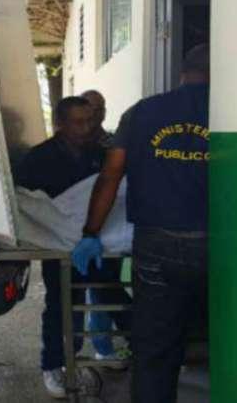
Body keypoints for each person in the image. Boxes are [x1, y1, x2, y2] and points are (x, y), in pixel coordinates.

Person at [73, 44, 210, 403]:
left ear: (182, 73)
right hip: (220, 244)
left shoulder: (141, 112)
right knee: (225, 335)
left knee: (155, 348)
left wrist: (91, 233)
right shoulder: (233, 112)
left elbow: (111, 174)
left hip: (156, 244)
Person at [15, 96, 131, 399]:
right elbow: (30, 205)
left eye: (90, 120)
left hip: (98, 242)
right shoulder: (38, 158)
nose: (86, 128)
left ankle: (135, 346)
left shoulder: (102, 154)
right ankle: (54, 364)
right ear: (59, 124)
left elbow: (114, 194)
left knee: (111, 293)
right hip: (59, 245)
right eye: (78, 122)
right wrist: (62, 227)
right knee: (61, 305)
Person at [80, 89, 131, 362]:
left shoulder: (114, 143)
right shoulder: (71, 143)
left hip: (112, 228)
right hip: (78, 229)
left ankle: (103, 347)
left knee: (103, 289)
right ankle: (73, 352)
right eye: (90, 107)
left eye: (101, 107)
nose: (96, 113)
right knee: (82, 291)